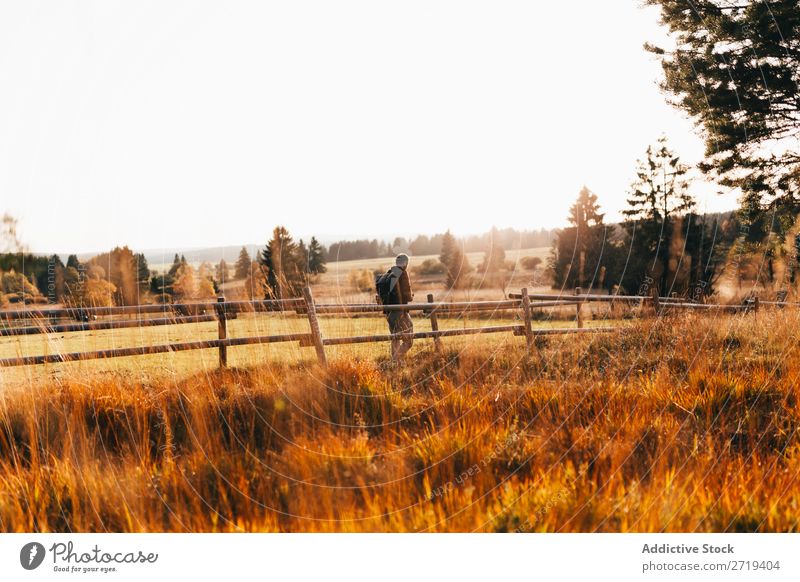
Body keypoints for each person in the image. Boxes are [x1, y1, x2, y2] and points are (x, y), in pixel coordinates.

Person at [381, 253, 414, 362]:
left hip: (389, 312)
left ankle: (395, 364)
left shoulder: (388, 274)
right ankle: (395, 360)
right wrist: (411, 296)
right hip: (401, 312)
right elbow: (408, 296)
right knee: (409, 340)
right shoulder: (403, 273)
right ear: (405, 263)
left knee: (395, 338)